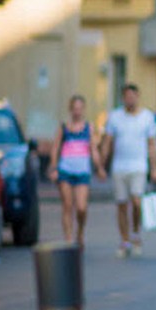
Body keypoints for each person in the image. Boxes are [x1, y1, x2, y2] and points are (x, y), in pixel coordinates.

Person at [100, 84, 156, 258]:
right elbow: (107, 142)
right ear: (123, 98)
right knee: (121, 204)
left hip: (139, 166)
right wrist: (101, 166)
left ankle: (136, 233)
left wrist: (155, 168)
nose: (130, 99)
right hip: (119, 166)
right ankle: (124, 240)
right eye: (126, 96)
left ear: (137, 97)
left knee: (136, 201)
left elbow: (152, 144)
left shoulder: (147, 117)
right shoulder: (115, 117)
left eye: (132, 96)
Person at [46, 95, 106, 246]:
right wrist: (54, 167)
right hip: (65, 170)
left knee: (81, 207)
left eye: (80, 109)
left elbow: (93, 149)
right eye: (74, 109)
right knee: (67, 205)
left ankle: (79, 231)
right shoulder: (64, 127)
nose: (77, 112)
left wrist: (99, 168)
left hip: (82, 172)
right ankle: (68, 239)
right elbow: (55, 148)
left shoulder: (89, 127)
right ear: (70, 110)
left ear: (83, 110)